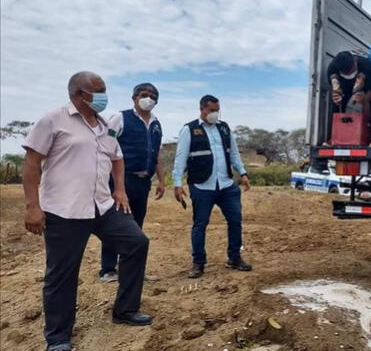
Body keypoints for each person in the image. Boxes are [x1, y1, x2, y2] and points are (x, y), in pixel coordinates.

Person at [22, 71, 152, 351]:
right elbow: (32, 162)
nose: (105, 95)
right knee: (61, 273)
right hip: (64, 209)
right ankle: (57, 337)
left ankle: (125, 310)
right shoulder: (53, 120)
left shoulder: (104, 125)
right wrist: (33, 206)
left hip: (103, 206)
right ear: (79, 94)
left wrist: (119, 189)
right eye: (99, 90)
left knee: (136, 243)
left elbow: (117, 158)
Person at [173, 95, 252, 278]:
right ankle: (198, 263)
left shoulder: (224, 128)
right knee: (200, 225)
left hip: (226, 185)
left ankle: (234, 258)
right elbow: (180, 159)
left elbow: (233, 154)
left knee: (235, 221)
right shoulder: (189, 130)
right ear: (202, 109)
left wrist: (243, 173)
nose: (215, 114)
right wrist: (177, 184)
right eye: (211, 110)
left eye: (217, 110)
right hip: (202, 186)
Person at [99, 83, 165, 283]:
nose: (149, 99)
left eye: (153, 96)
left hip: (143, 181)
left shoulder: (156, 124)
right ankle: (108, 269)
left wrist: (161, 180)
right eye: (144, 95)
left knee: (136, 225)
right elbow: (106, 147)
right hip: (121, 179)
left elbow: (158, 154)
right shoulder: (120, 118)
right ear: (134, 98)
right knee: (116, 224)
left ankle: (131, 268)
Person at [327, 50, 371, 136]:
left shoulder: (367, 65)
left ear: (355, 61)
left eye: (350, 71)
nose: (349, 74)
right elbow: (335, 88)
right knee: (337, 103)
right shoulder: (332, 69)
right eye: (345, 73)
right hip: (345, 86)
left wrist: (365, 99)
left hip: (367, 86)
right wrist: (336, 95)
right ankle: (335, 135)